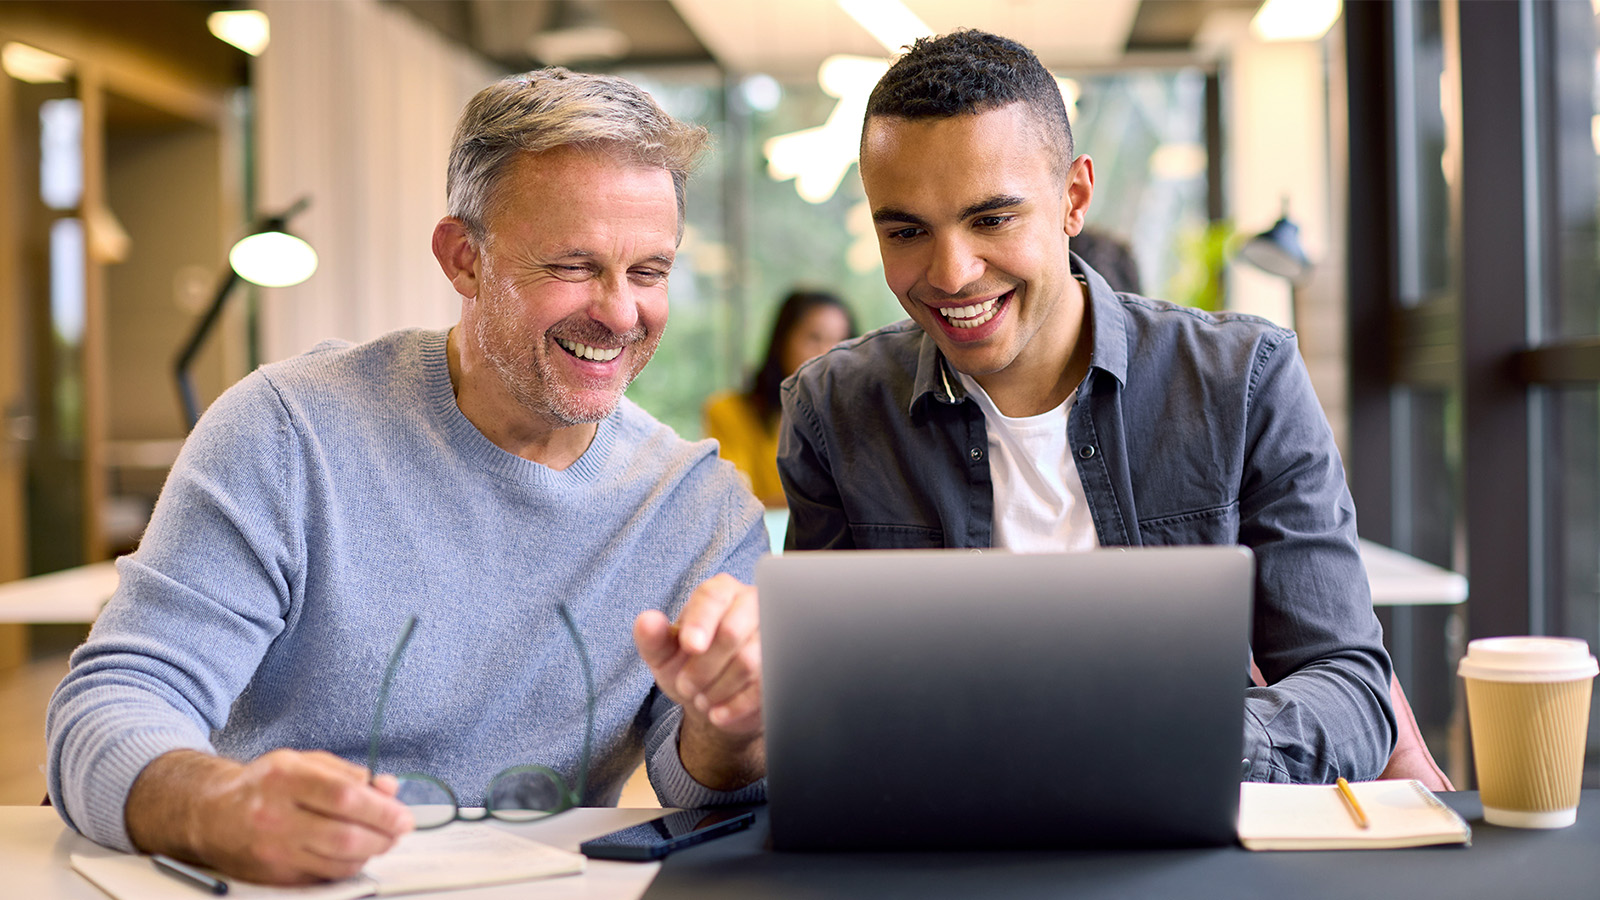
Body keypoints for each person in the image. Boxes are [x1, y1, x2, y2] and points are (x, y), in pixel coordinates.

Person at [46, 69, 765, 885]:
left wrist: (731, 724)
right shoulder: (288, 431)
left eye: (649, 272)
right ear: (464, 259)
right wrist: (220, 807)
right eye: (574, 264)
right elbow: (108, 706)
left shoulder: (697, 506)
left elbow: (699, 784)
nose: (620, 313)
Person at [776, 30, 1396, 784]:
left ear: (1073, 199)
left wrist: (1170, 741)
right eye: (906, 231)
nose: (951, 273)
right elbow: (818, 694)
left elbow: (1349, 688)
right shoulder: (832, 408)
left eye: (992, 219)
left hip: (1186, 820)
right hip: (942, 836)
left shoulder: (1243, 381)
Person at [703, 289, 856, 506]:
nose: (827, 354)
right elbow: (732, 501)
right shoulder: (729, 410)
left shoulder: (858, 416)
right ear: (782, 340)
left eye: (840, 342)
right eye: (814, 338)